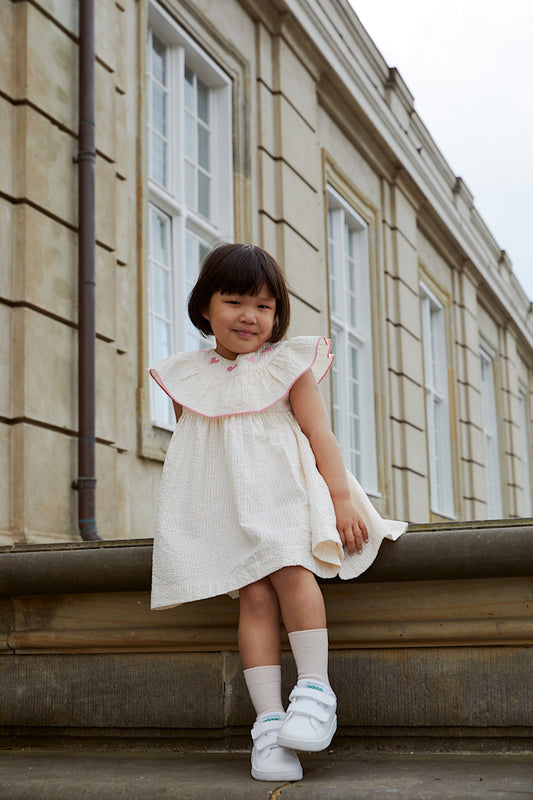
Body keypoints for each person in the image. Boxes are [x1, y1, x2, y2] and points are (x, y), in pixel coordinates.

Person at [149, 242, 407, 783]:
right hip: (232, 506)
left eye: (263, 306)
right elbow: (198, 451)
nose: (249, 315)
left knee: (292, 570)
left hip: (287, 494)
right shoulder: (186, 376)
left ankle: (315, 691)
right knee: (256, 596)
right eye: (235, 301)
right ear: (205, 307)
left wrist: (340, 499)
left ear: (277, 314)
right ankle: (268, 723)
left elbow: (319, 434)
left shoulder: (288, 366)